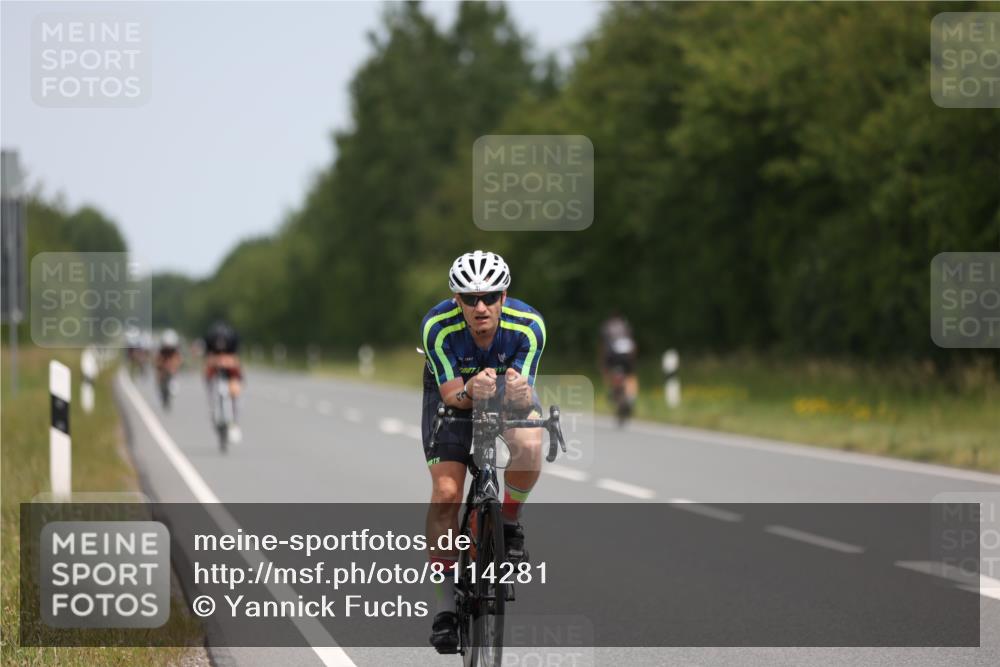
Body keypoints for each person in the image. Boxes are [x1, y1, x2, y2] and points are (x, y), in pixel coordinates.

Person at [421, 250, 546, 654]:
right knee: (446, 494)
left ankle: (508, 521)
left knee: (529, 444)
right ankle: (443, 606)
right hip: (453, 396)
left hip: (506, 396)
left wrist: (520, 395)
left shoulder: (528, 326)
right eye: (470, 298)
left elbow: (522, 396)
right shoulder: (438, 327)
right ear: (455, 299)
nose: (481, 307)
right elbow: (450, 394)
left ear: (504, 296)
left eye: (490, 296)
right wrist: (470, 391)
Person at [203, 320, 243, 442]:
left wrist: (228, 363)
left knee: (235, 390)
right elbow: (207, 361)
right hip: (215, 370)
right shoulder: (210, 340)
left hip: (230, 371)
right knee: (211, 384)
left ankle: (234, 420)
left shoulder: (232, 341)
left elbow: (236, 363)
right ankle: (213, 409)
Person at [599, 312, 639, 421]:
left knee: (608, 372)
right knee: (630, 376)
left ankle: (613, 392)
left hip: (613, 354)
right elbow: (632, 343)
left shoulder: (607, 326)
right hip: (628, 353)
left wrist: (603, 364)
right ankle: (631, 397)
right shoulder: (626, 325)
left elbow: (603, 346)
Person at [155, 329, 183, 408]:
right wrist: (162, 366)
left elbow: (179, 360)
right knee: (159, 374)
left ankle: (173, 383)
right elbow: (157, 361)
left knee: (173, 371)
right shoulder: (161, 350)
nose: (168, 348)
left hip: (171, 367)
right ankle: (160, 389)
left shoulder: (175, 350)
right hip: (163, 366)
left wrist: (173, 366)